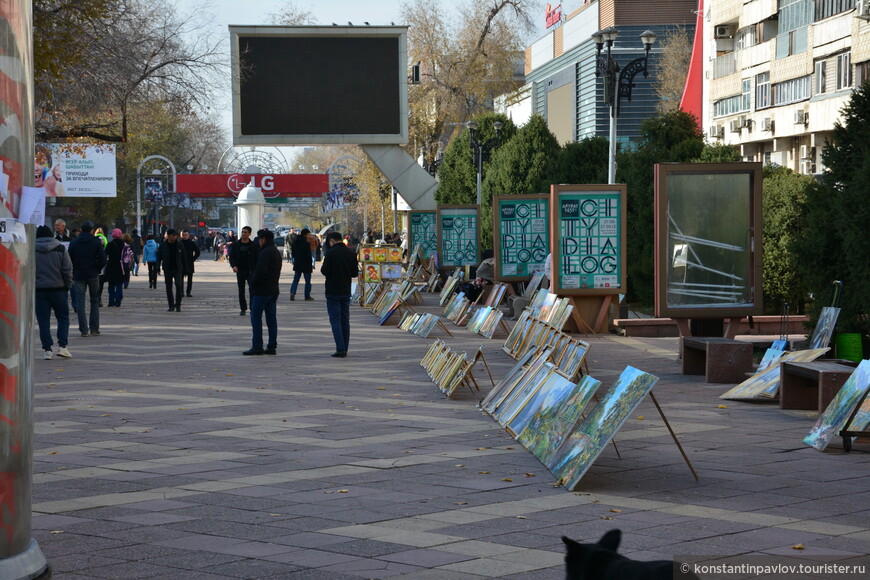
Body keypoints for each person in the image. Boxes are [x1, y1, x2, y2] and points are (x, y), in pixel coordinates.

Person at [35, 225, 73, 359]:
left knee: (43, 320)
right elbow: (67, 269)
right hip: (59, 289)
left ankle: (47, 350)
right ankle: (63, 347)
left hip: (39, 290)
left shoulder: (31, 250)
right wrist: (67, 286)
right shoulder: (60, 248)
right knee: (63, 318)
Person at [244, 229, 282, 356]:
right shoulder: (275, 251)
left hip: (261, 291)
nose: (258, 241)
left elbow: (260, 272)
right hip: (273, 289)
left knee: (256, 318)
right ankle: (272, 345)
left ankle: (257, 345)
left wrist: (253, 283)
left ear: (264, 239)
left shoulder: (265, 253)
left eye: (260, 238)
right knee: (271, 319)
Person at [320, 231, 358, 358]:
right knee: (345, 320)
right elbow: (354, 273)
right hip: (346, 290)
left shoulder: (330, 253)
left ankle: (340, 348)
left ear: (332, 241)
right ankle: (345, 347)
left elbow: (324, 270)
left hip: (332, 290)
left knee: (335, 320)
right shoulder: (351, 253)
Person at [68, 221, 106, 336]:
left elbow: (69, 258)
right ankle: (94, 328)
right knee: (94, 300)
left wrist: (74, 270)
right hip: (93, 274)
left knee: (80, 302)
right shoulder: (96, 242)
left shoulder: (74, 242)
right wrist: (97, 269)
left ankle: (83, 330)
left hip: (78, 275)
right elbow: (103, 259)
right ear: (91, 230)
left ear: (81, 230)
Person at [156, 229, 190, 312]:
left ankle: (178, 304)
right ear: (168, 236)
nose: (174, 237)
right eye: (172, 235)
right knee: (169, 287)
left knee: (179, 285)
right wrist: (157, 268)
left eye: (175, 235)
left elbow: (184, 258)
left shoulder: (179, 245)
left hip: (177, 269)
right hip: (167, 269)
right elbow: (159, 257)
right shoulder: (163, 245)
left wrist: (186, 270)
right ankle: (171, 305)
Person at [229, 226, 259, 316]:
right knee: (241, 290)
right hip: (240, 271)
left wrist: (256, 269)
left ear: (249, 234)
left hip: (251, 271)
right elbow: (232, 257)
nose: (243, 234)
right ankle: (243, 308)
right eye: (242, 232)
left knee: (252, 290)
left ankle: (252, 308)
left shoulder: (254, 245)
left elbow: (257, 258)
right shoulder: (236, 244)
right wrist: (234, 266)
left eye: (245, 232)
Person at [104, 229, 129, 307]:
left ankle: (111, 301)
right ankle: (118, 301)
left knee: (111, 284)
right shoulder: (124, 245)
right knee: (119, 284)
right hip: (121, 267)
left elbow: (105, 253)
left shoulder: (110, 244)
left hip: (111, 266)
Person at [290, 228, 314, 301]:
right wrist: (311, 265)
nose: (309, 236)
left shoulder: (295, 242)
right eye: (308, 235)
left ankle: (292, 293)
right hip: (306, 264)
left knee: (296, 280)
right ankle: (307, 296)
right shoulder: (306, 244)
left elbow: (293, 253)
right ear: (305, 235)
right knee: (307, 281)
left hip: (298, 263)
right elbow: (308, 255)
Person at [180, 229, 201, 297]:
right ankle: (181, 292)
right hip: (180, 263)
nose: (185, 236)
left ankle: (188, 292)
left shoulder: (192, 243)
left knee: (190, 279)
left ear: (188, 235)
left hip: (189, 263)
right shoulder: (178, 243)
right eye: (183, 235)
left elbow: (198, 252)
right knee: (180, 279)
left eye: (186, 235)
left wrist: (193, 259)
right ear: (181, 236)